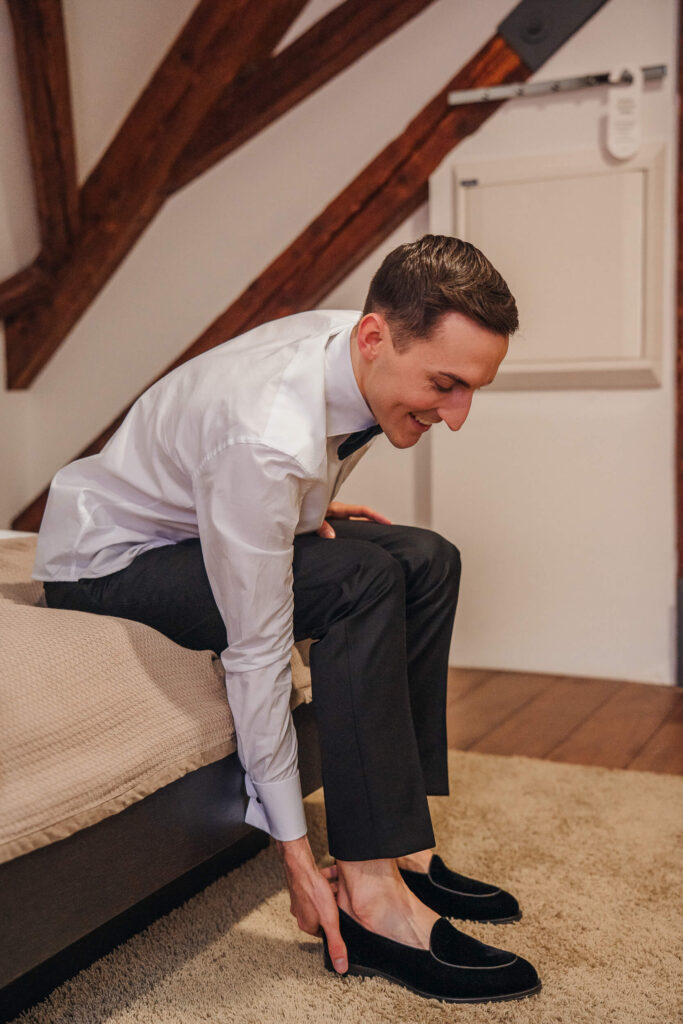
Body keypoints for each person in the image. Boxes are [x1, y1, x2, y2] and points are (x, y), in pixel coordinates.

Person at [34, 235, 541, 1003]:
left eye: (470, 389)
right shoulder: (263, 435)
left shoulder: (352, 345)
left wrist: (300, 508)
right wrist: (295, 851)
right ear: (374, 338)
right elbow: (257, 648)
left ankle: (404, 845)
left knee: (427, 557)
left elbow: (275, 466)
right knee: (361, 578)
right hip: (108, 563)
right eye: (444, 385)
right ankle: (371, 893)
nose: (456, 415)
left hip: (200, 515)